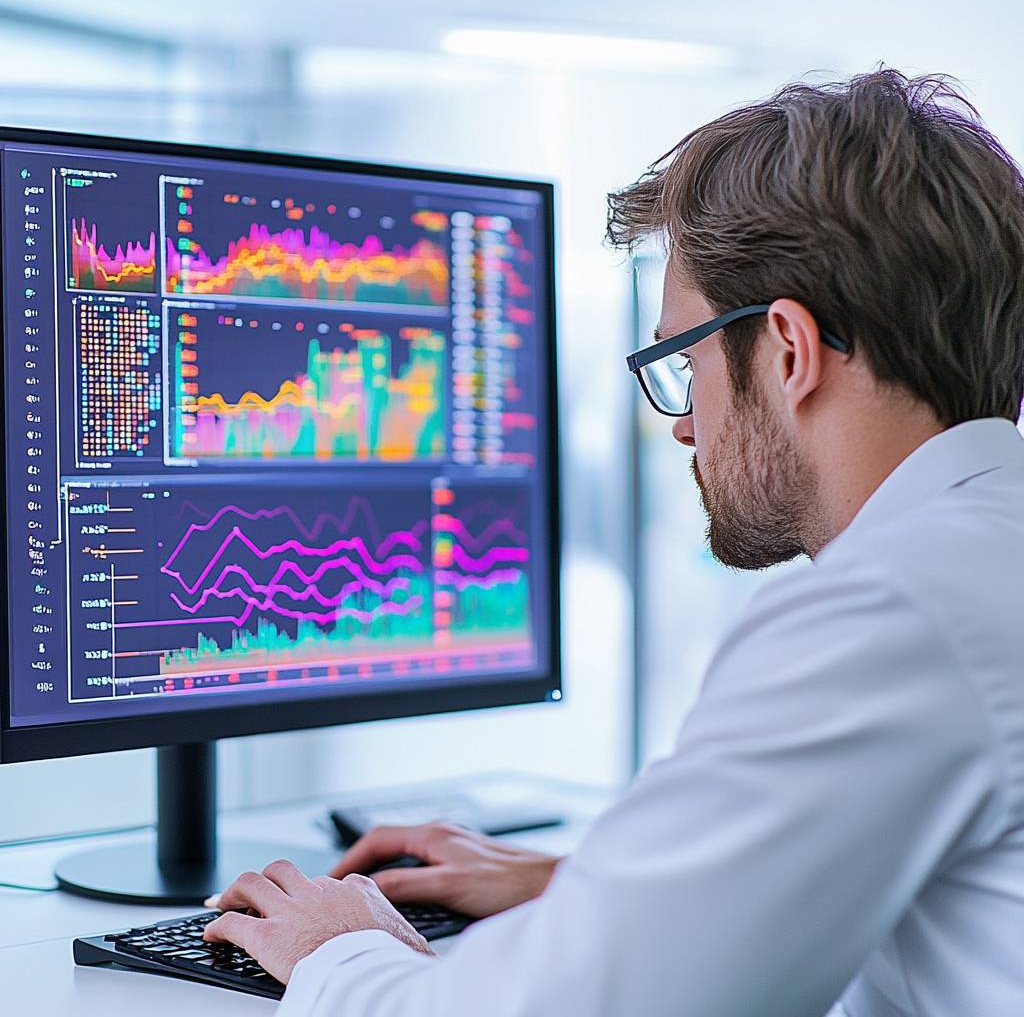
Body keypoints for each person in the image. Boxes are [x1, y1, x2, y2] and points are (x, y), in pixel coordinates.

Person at [202, 69, 1024, 1016]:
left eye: (687, 361)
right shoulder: (978, 559)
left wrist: (337, 952)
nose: (682, 425)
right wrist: (592, 888)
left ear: (790, 351)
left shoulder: (887, 614)